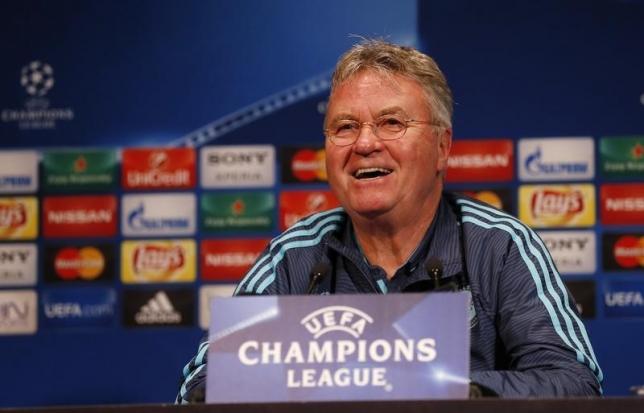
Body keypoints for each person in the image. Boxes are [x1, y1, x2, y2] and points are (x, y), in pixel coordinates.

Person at [176, 39, 603, 403]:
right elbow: (197, 390)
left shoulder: (500, 246)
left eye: (391, 123)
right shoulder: (293, 259)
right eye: (344, 127)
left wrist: (445, 390)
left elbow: (576, 383)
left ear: (442, 146)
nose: (364, 143)